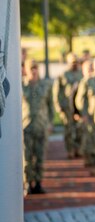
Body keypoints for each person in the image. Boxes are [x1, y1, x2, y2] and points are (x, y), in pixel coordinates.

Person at [22, 59, 54, 195]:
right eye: (31, 68)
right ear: (26, 70)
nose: (34, 71)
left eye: (35, 68)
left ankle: (39, 182)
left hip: (41, 126)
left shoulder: (45, 85)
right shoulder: (21, 86)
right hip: (26, 126)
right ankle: (28, 183)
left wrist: (50, 122)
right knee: (27, 158)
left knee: (40, 156)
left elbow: (50, 106)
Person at [53, 52, 83, 159]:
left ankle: (78, 148)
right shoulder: (63, 75)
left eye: (76, 62)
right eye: (72, 62)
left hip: (79, 108)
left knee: (80, 128)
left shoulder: (81, 74)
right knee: (68, 130)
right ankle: (70, 150)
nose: (75, 64)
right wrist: (59, 108)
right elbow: (56, 92)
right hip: (67, 107)